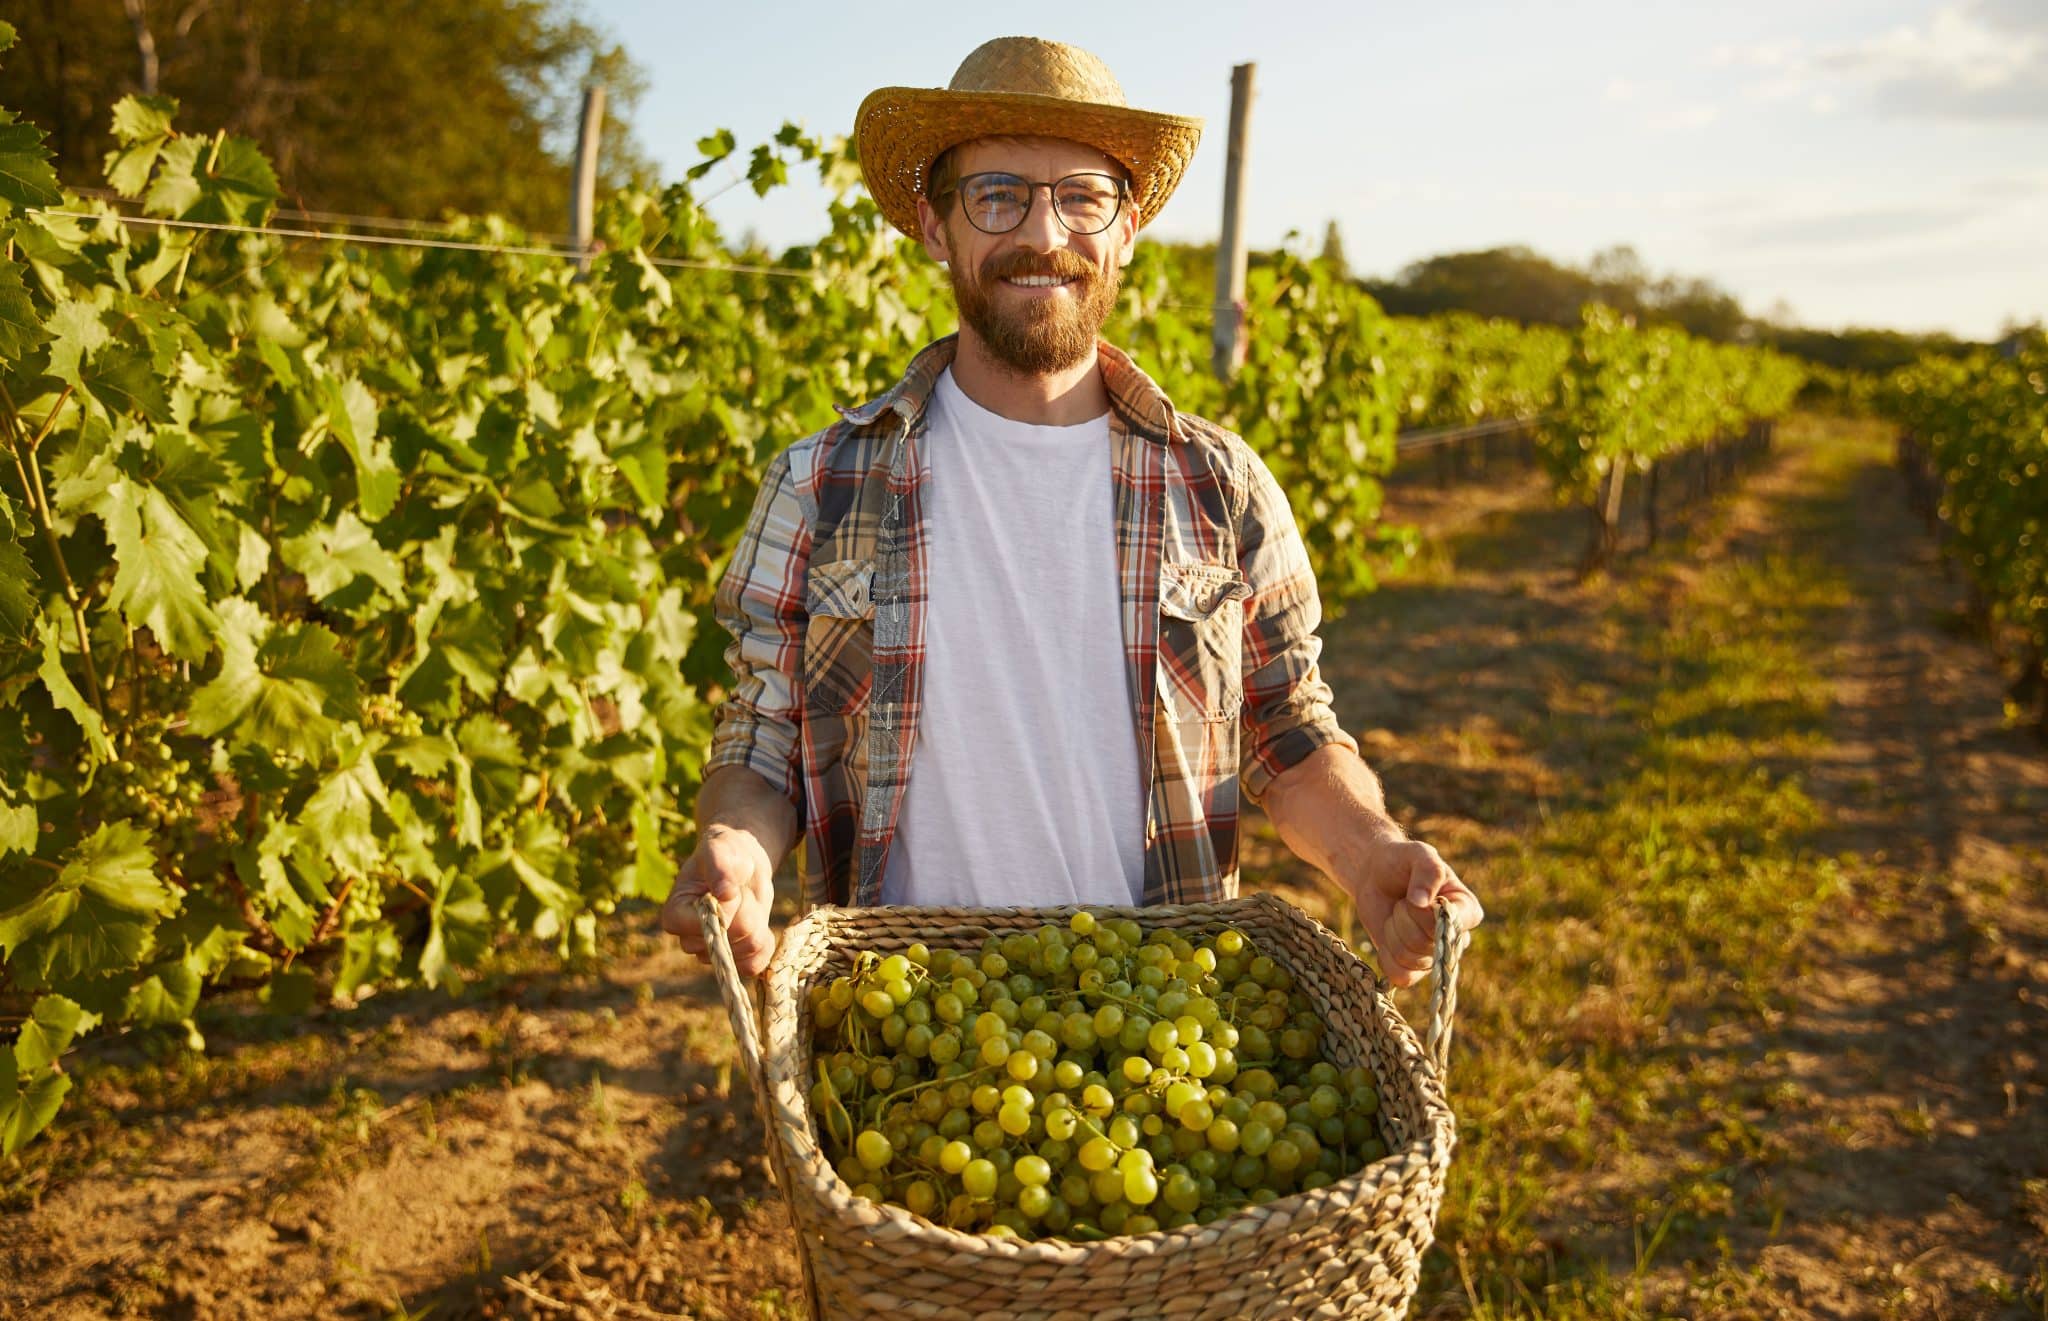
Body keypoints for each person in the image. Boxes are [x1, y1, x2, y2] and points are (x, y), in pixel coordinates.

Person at [663, 36, 1482, 985]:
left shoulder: (1220, 485)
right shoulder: (819, 484)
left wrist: (1372, 852)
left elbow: (1289, 733)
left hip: (1161, 1034)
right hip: (899, 1031)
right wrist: (742, 847)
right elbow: (764, 740)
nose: (1044, 235)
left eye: (1082, 196)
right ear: (936, 227)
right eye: (997, 194)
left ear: (1127, 227)